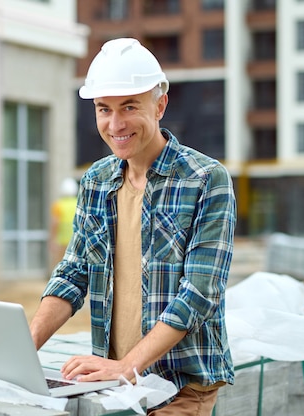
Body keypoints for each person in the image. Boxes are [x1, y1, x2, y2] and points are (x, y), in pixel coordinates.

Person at [29, 38, 237, 415]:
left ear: (160, 105)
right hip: (111, 384)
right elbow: (74, 274)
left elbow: (199, 294)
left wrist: (129, 364)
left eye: (129, 107)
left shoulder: (206, 179)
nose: (115, 124)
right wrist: (24, 346)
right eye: (103, 109)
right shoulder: (97, 180)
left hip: (178, 386)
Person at [48, 177, 79, 271]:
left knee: (60, 265)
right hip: (76, 240)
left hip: (62, 241)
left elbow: (55, 223)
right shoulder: (78, 202)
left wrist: (52, 239)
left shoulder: (58, 204)